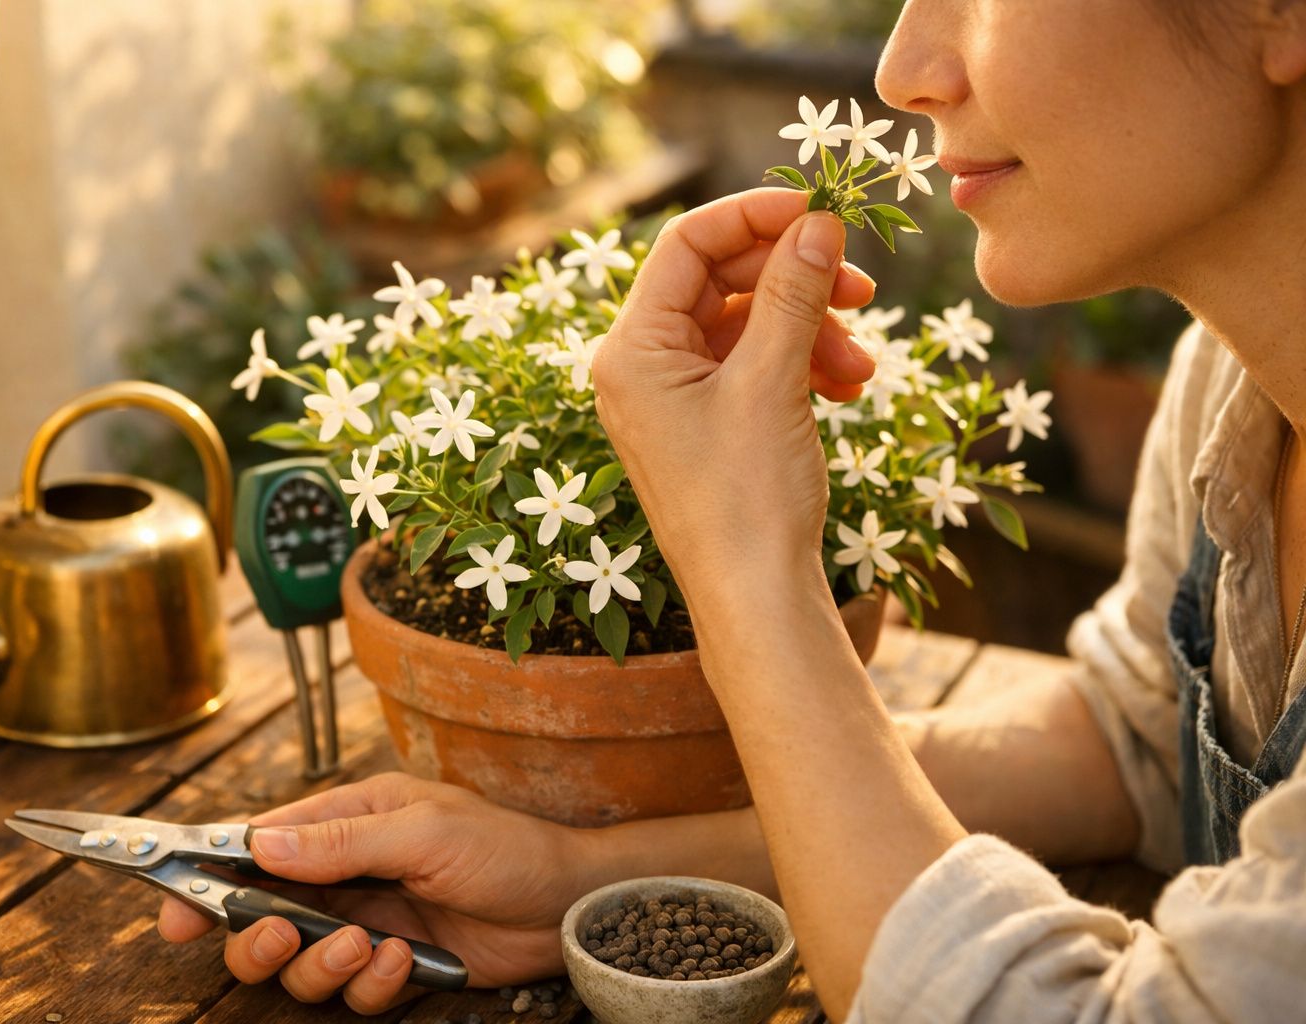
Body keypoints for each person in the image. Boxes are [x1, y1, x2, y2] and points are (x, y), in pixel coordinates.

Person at [159, 0, 1306, 1018]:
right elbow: (1139, 740)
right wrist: (580, 875)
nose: (902, 69)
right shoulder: (1234, 379)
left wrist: (744, 559)